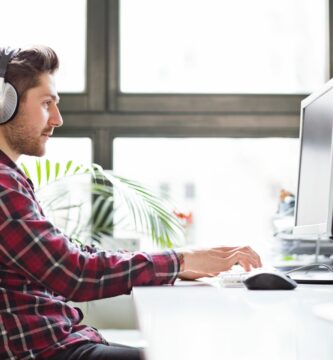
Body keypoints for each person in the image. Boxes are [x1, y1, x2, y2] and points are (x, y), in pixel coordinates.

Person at [0, 46, 262, 360]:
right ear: (4, 104)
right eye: (47, 103)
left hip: (61, 343)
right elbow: (74, 273)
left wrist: (180, 263)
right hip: (47, 352)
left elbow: (73, 254)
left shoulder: (11, 178)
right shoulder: (3, 186)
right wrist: (180, 261)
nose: (57, 118)